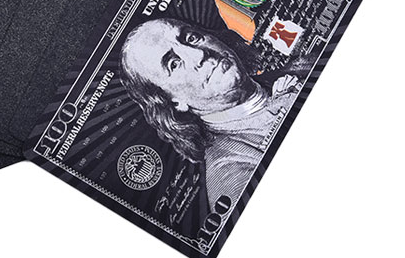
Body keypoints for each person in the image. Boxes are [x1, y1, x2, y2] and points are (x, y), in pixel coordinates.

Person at [119, 17, 302, 210]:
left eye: (191, 38)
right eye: (174, 64)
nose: (199, 54)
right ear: (174, 102)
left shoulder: (302, 67)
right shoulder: (231, 172)